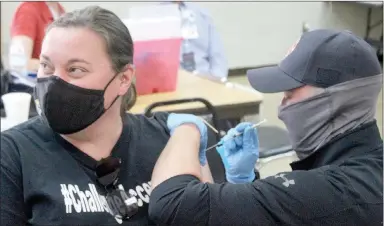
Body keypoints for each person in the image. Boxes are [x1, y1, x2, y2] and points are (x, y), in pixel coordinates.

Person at [1, 6, 213, 225]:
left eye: (75, 69)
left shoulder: (168, 140)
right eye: (46, 66)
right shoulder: (13, 154)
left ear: (123, 79)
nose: (55, 81)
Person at [148, 29, 383, 225]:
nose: (281, 110)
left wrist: (187, 127)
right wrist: (244, 183)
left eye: (290, 94)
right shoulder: (364, 167)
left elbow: (172, 204)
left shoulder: (336, 190)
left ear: (337, 99)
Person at [168, 1, 228, 79]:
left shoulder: (202, 13)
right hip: (172, 81)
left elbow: (218, 54)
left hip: (205, 79)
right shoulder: (155, 14)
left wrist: (217, 79)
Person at [10, 1, 65, 72]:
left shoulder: (61, 12)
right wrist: (59, 68)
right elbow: (18, 62)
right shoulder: (28, 9)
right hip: (35, 81)